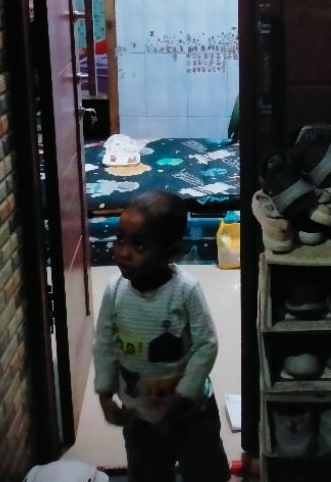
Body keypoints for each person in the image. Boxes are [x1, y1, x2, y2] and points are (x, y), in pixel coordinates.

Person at [93, 190, 231, 482]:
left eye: (139, 245)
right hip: (139, 414)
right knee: (148, 474)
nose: (123, 252)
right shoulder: (114, 291)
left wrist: (184, 395)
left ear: (172, 253)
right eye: (120, 239)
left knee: (205, 472)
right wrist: (105, 393)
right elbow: (104, 344)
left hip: (190, 413)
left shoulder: (185, 291)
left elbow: (206, 345)